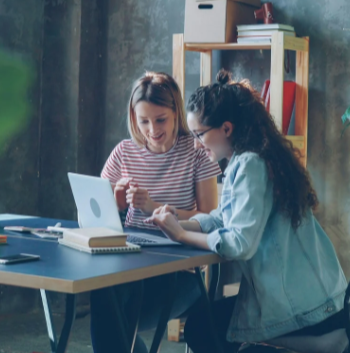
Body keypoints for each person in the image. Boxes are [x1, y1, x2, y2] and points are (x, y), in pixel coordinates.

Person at [148, 69, 348, 353]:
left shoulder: (250, 164)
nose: (196, 143)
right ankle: (309, 345)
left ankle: (309, 345)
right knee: (207, 325)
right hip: (317, 298)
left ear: (226, 129)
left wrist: (180, 234)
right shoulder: (249, 159)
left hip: (306, 308)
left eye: (199, 134)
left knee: (202, 328)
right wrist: (180, 221)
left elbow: (239, 242)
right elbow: (225, 218)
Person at [90, 71, 221, 353]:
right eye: (144, 121)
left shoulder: (198, 152)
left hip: (180, 273)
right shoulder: (124, 152)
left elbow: (211, 218)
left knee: (112, 311)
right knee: (104, 294)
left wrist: (154, 208)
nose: (153, 130)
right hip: (130, 265)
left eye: (160, 119)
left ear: (176, 111)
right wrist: (117, 204)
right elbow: (95, 217)